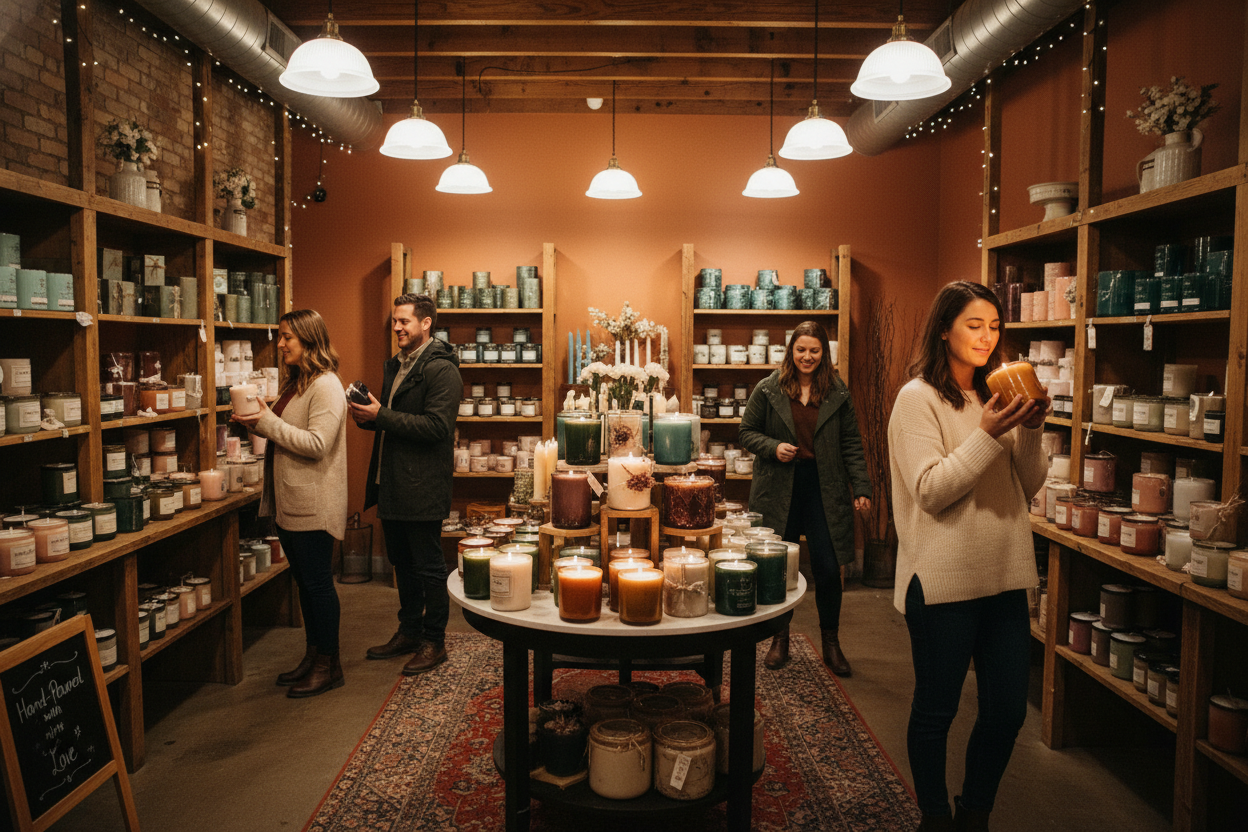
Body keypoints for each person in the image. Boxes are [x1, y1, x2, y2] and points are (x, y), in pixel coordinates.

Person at [888, 281, 1049, 832]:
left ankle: (974, 812)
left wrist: (1031, 429)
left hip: (1004, 575)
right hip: (942, 583)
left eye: (995, 327)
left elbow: (1027, 486)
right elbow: (930, 491)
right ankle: (935, 817)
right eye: (974, 325)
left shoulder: (996, 393)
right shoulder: (918, 399)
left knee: (1006, 712)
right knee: (937, 711)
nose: (987, 337)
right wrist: (985, 435)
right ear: (944, 329)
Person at [739, 320, 872, 675]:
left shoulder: (837, 392)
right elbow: (746, 431)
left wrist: (861, 488)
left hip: (823, 487)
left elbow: (851, 445)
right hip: (780, 486)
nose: (807, 356)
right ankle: (779, 639)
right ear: (791, 351)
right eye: (801, 350)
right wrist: (773, 446)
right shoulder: (769, 388)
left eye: (814, 350)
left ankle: (831, 643)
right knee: (778, 567)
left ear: (823, 353)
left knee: (828, 568)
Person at [232, 308, 348, 698]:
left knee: (317, 585)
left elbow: (317, 445)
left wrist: (267, 423)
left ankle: (329, 665)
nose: (280, 344)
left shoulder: (326, 385)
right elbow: (290, 429)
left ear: (309, 340)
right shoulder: (298, 382)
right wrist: (264, 414)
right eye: (280, 337)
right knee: (304, 583)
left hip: (313, 504)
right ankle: (314, 655)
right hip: (292, 502)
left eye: (287, 338)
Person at [349, 293, 461, 676]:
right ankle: (410, 631)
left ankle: (435, 642)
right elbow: (393, 417)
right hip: (392, 481)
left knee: (429, 566)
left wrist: (382, 415)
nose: (397, 327)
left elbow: (437, 427)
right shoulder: (398, 364)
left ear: (426, 324)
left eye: (404, 322)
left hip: (421, 484)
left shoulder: (441, 369)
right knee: (402, 562)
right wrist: (368, 415)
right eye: (394, 321)